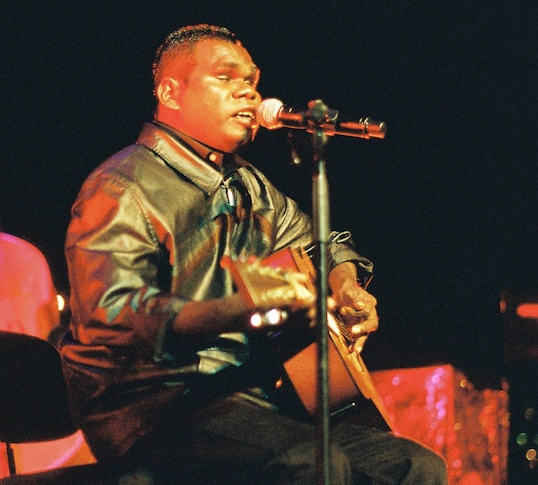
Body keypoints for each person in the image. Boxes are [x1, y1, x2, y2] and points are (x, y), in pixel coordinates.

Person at [60, 24, 448, 484]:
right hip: (151, 405)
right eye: (226, 78)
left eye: (252, 80)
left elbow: (321, 246)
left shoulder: (249, 184)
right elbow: (113, 315)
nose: (247, 90)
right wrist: (236, 311)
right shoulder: (120, 185)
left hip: (246, 398)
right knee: (313, 465)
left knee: (416, 468)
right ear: (170, 92)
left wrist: (345, 287)